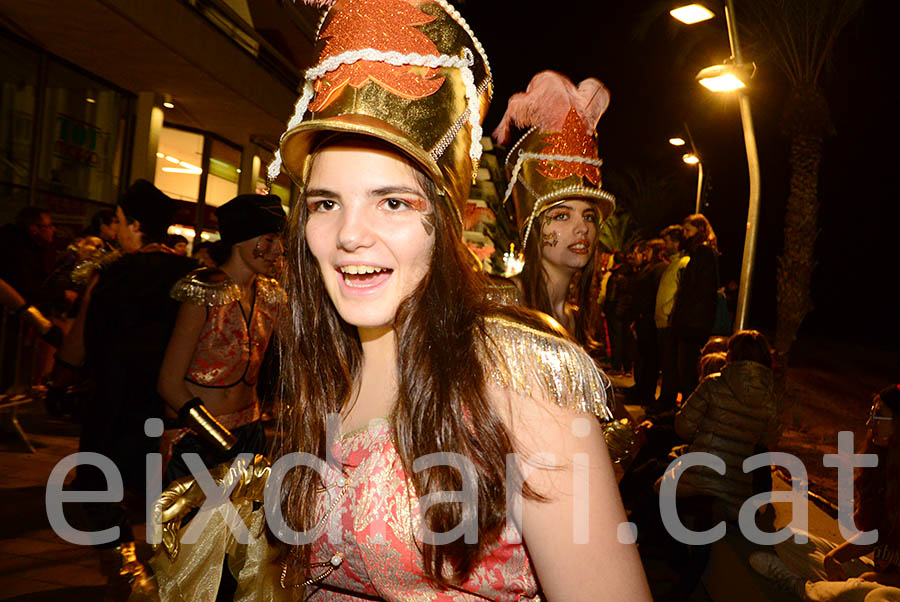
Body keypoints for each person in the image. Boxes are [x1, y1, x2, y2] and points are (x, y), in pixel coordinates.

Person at [152, 3, 651, 600]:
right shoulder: (326, 366)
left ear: (444, 223)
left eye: (391, 201)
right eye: (325, 203)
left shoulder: (517, 375)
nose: (349, 235)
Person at [54, 179, 197, 599]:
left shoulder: (110, 274)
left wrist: (61, 375)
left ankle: (129, 571)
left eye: (118, 221)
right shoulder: (190, 276)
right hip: (169, 406)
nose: (115, 229)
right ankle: (166, 573)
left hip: (113, 403)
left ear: (134, 224)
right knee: (164, 494)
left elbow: (77, 344)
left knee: (99, 488)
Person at [157, 194, 286, 485]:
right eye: (267, 240)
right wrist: (217, 437)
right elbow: (168, 383)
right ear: (240, 240)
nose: (278, 250)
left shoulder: (271, 295)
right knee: (193, 528)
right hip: (196, 437)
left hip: (250, 433)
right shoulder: (203, 293)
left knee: (243, 528)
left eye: (279, 241)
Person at [749, 384, 900, 601]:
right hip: (877, 573)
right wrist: (832, 558)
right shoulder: (884, 464)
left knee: (867, 594)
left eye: (878, 416)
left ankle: (801, 586)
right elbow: (875, 534)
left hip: (890, 588)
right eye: (871, 415)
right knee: (788, 540)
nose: (869, 424)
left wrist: (878, 580)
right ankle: (835, 590)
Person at [670, 213, 720, 398]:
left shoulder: (702, 252)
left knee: (687, 370)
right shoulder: (702, 252)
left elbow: (697, 290)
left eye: (688, 231)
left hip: (693, 323)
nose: (685, 235)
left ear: (699, 230)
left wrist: (682, 315)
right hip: (694, 321)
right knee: (686, 369)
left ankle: (688, 414)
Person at [654, 224, 690, 412]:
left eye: (667, 242)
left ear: (676, 243)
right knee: (666, 364)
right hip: (662, 322)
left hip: (669, 322)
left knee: (670, 366)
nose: (664, 245)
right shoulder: (673, 264)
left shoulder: (684, 263)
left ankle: (667, 403)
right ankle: (664, 400)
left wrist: (670, 313)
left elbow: (680, 293)